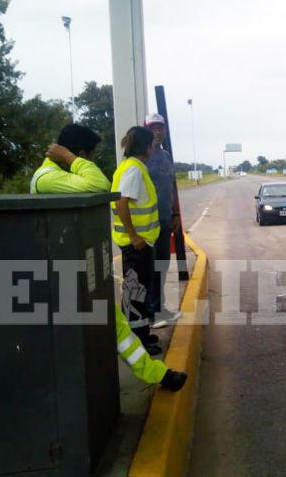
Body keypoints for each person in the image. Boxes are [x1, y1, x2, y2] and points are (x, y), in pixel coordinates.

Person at [31, 123, 187, 392]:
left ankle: (160, 375)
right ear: (79, 153)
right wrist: (71, 159)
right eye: (88, 156)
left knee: (119, 330)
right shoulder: (46, 178)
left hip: (82, 273)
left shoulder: (63, 177)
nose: (89, 161)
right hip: (59, 279)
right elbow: (101, 186)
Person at [111, 126, 163, 353]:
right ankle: (136, 343)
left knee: (139, 292)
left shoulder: (132, 167)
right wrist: (134, 236)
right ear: (146, 146)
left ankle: (142, 335)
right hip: (136, 245)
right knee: (135, 294)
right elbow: (122, 202)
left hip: (141, 243)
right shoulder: (133, 170)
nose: (154, 147)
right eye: (152, 143)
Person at [144, 113, 183, 328]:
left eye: (160, 128)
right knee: (151, 267)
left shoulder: (167, 156)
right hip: (149, 223)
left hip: (166, 219)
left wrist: (176, 214)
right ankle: (152, 312)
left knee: (163, 265)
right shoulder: (141, 157)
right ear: (145, 130)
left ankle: (160, 307)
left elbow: (173, 187)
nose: (157, 132)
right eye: (153, 128)